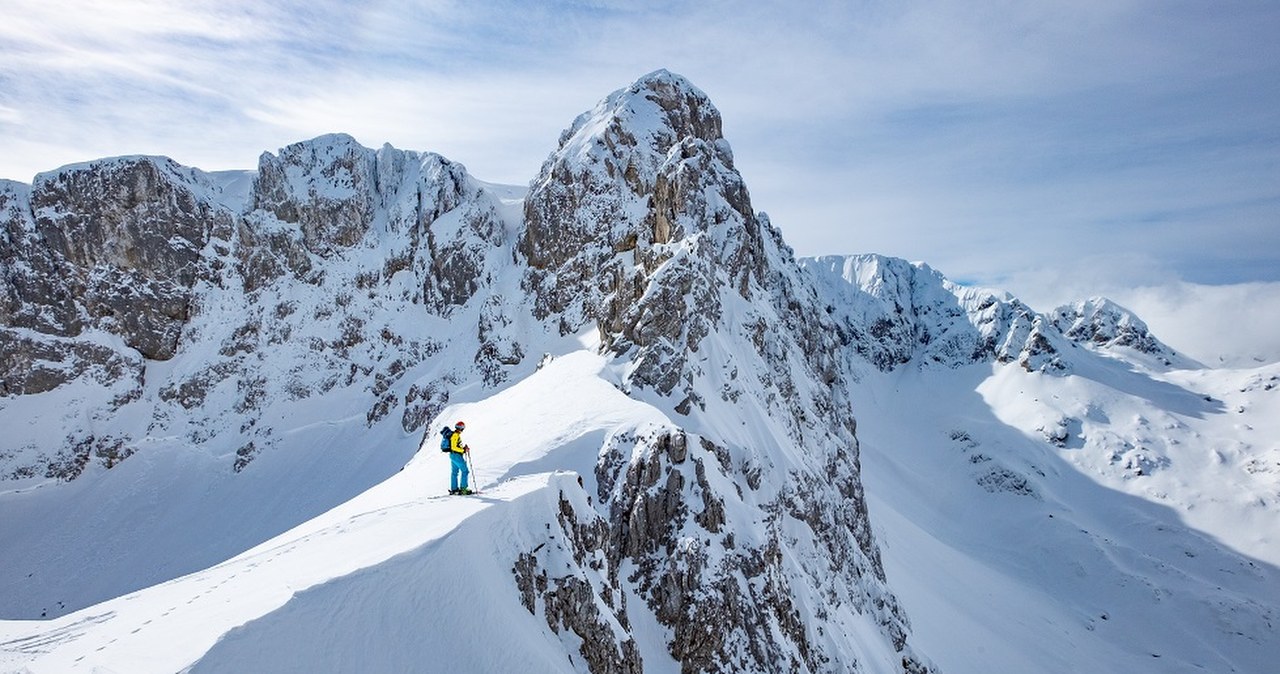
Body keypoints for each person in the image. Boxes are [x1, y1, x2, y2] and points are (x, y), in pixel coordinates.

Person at [448, 421, 471, 495]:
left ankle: (454, 489)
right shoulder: (455, 435)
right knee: (465, 471)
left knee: (454, 472)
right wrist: (463, 450)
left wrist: (463, 448)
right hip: (456, 456)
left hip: (453, 455)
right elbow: (454, 447)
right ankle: (463, 489)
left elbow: (456, 446)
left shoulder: (455, 435)